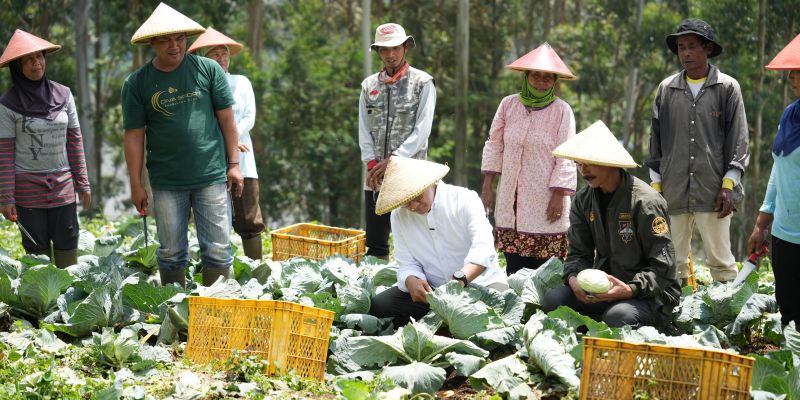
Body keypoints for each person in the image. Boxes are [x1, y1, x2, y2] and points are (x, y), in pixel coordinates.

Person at [122, 3, 243, 287]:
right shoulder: (137, 83)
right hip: (166, 180)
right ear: (152, 42)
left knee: (217, 248)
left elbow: (228, 120)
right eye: (165, 40)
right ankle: (174, 314)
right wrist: (136, 183)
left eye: (179, 38)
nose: (174, 46)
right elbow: (134, 136)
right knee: (171, 251)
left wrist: (234, 165)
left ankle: (218, 311)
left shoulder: (208, 69)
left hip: (211, 176)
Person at [542, 121, 681, 328]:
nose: (583, 170)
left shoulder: (646, 202)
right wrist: (573, 279)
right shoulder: (583, 200)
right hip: (607, 289)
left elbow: (663, 267)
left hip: (650, 293)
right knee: (553, 301)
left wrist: (630, 289)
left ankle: (616, 321)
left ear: (611, 163)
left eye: (590, 162)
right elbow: (578, 254)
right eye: (579, 164)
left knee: (617, 318)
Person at [646, 18, 750, 284]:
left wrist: (729, 184)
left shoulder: (727, 88)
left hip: (714, 189)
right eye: (681, 47)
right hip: (673, 189)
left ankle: (726, 320)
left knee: (722, 262)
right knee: (673, 261)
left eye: (692, 46)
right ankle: (675, 320)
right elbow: (655, 142)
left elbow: (739, 141)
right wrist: (656, 189)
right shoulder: (666, 89)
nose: (686, 53)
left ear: (708, 49)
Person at [368, 156, 508, 328]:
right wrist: (411, 281)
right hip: (432, 294)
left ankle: (443, 322)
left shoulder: (465, 199)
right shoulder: (399, 215)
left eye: (416, 196)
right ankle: (442, 321)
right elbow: (406, 263)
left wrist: (459, 281)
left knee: (496, 307)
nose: (413, 206)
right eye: (406, 202)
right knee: (379, 306)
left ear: (431, 182)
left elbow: (484, 250)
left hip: (479, 286)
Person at [481, 42, 577, 275]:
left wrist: (558, 195)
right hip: (510, 197)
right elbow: (494, 144)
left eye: (547, 77)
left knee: (545, 271)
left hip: (546, 198)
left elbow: (566, 154)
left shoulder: (562, 111)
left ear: (555, 81)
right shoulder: (508, 105)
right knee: (514, 268)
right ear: (526, 76)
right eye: (536, 75)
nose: (541, 81)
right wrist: (487, 187)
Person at [0, 29, 91, 268]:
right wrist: (6, 196)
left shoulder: (64, 95)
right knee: (36, 248)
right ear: (17, 66)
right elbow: (6, 154)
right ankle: (44, 305)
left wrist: (82, 182)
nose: (36, 63)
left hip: (63, 186)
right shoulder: (7, 105)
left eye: (40, 56)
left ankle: (69, 302)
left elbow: (75, 141)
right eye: (28, 59)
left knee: (68, 241)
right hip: (28, 191)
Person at [359, 22, 436, 260]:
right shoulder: (369, 85)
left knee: (416, 240)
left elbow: (423, 129)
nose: (390, 54)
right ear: (378, 52)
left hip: (410, 174)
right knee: (376, 243)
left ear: (405, 47)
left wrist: (396, 159)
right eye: (384, 49)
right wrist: (371, 163)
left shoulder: (423, 82)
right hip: (375, 175)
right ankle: (377, 286)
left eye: (395, 48)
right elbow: (363, 128)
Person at [188, 27, 265, 260]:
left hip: (242, 160)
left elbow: (248, 117)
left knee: (249, 218)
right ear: (204, 58)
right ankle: (221, 271)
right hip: (210, 163)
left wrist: (230, 138)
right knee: (215, 220)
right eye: (215, 54)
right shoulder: (196, 88)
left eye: (225, 54)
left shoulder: (241, 82)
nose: (221, 59)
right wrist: (224, 142)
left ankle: (256, 272)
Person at [748, 33, 800, 328]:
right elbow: (778, 169)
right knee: (790, 315)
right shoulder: (789, 115)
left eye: (798, 71)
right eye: (790, 70)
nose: (791, 77)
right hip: (785, 234)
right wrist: (761, 224)